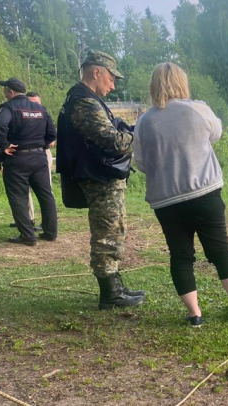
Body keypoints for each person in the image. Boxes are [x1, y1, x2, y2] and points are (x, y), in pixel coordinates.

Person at [134, 62, 228, 328]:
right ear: (182, 83)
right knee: (220, 250)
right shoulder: (198, 108)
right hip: (204, 192)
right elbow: (216, 133)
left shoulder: (143, 121)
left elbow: (140, 164)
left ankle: (195, 314)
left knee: (180, 255)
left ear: (154, 86)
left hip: (166, 200)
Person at [56, 50, 145, 310]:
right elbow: (113, 141)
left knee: (114, 230)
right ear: (96, 72)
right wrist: (136, 135)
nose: (113, 85)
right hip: (99, 180)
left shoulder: (86, 99)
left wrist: (124, 130)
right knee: (106, 234)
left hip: (100, 178)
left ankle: (115, 286)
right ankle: (110, 294)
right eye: (111, 78)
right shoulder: (84, 102)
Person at [0, 78, 57, 246]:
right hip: (39, 157)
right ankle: (50, 232)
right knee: (45, 195)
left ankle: (27, 236)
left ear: (10, 92)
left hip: (17, 158)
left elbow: (0, 124)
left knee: (18, 197)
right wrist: (41, 145)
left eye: (5, 90)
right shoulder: (40, 108)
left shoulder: (9, 107)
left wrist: (5, 145)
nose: (4, 93)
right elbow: (52, 132)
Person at [8, 91, 54, 231]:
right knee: (24, 192)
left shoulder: (42, 114)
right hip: (32, 153)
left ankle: (45, 224)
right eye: (31, 102)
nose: (34, 105)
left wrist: (42, 145)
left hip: (41, 153)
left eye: (37, 103)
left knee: (44, 191)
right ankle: (27, 220)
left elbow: (52, 138)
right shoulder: (26, 114)